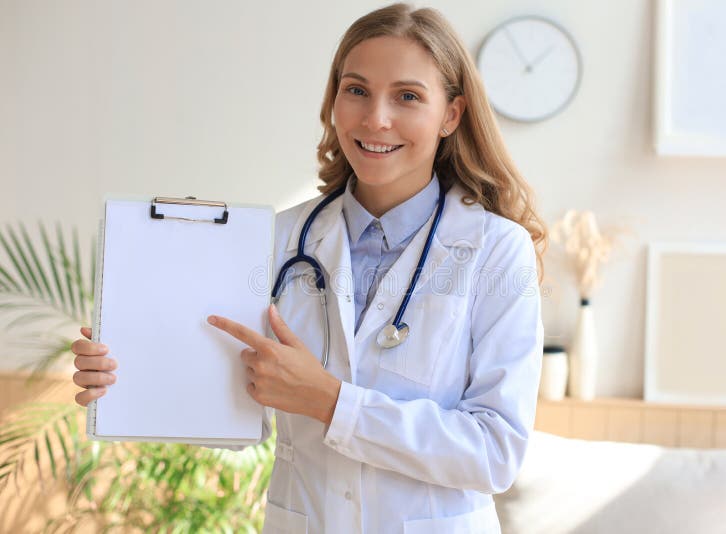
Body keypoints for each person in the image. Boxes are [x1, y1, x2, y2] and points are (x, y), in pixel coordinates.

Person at [71, 3, 547, 533]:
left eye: (407, 96)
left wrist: (332, 403)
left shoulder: (496, 251)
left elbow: (495, 453)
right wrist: (125, 374)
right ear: (334, 100)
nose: (376, 119)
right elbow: (228, 404)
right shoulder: (276, 238)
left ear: (452, 115)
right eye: (357, 90)